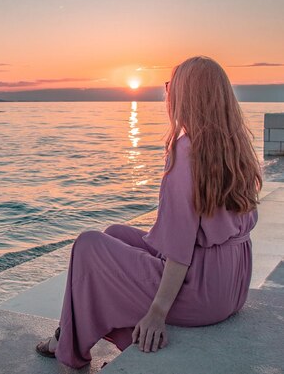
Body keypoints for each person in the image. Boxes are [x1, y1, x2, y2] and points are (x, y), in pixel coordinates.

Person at [35, 55, 263, 369]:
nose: (167, 93)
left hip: (202, 292)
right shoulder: (235, 145)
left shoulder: (187, 151)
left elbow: (180, 253)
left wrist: (157, 313)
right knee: (115, 234)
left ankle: (68, 343)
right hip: (233, 286)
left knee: (88, 245)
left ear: (187, 97)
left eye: (171, 86)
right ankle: (117, 340)